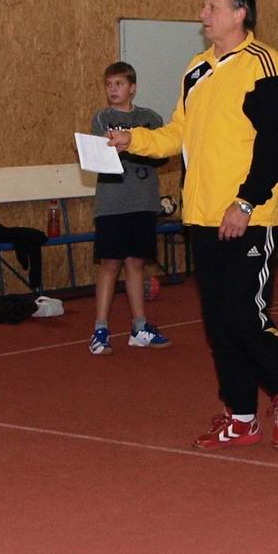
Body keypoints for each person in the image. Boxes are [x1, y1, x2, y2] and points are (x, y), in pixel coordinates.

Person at [106, 0, 278, 451]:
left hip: (250, 216)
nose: (203, 15)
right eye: (203, 6)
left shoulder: (266, 65)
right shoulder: (196, 69)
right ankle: (241, 415)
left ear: (239, 13)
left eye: (212, 6)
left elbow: (273, 147)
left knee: (245, 315)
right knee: (218, 323)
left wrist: (245, 202)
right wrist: (134, 140)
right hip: (202, 216)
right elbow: (178, 133)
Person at [88, 61, 170, 354]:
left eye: (119, 84)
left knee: (136, 263)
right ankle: (100, 329)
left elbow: (160, 154)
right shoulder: (102, 118)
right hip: (112, 203)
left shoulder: (150, 118)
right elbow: (103, 155)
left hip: (143, 201)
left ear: (132, 88)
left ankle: (139, 327)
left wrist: (135, 146)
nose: (113, 89)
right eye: (109, 85)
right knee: (110, 264)